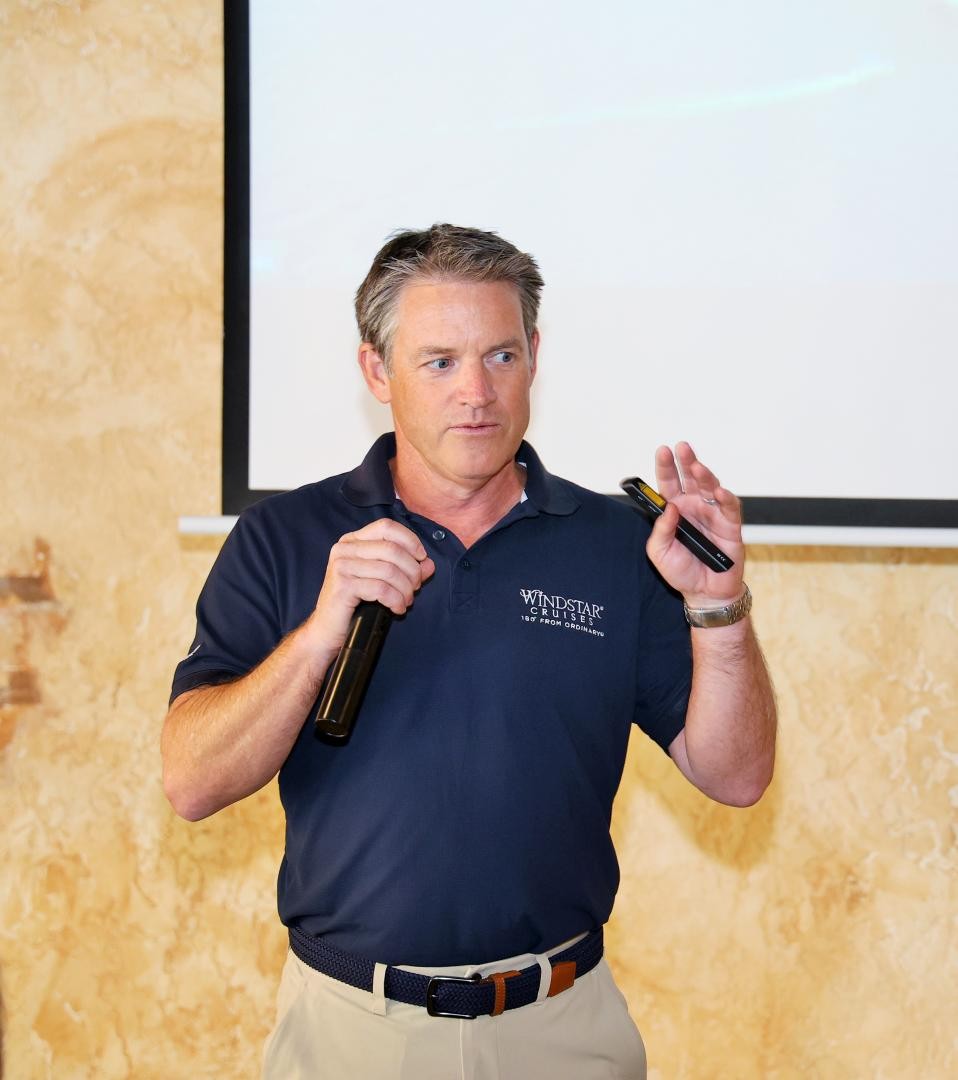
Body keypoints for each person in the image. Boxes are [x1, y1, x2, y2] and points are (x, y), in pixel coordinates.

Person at [162, 224, 776, 1079]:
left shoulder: (615, 544)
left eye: (501, 356)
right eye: (439, 362)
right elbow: (192, 782)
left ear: (535, 358)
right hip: (351, 1034)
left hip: (563, 1028)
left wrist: (720, 608)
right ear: (377, 372)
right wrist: (319, 635)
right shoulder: (283, 538)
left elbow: (737, 776)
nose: (476, 393)